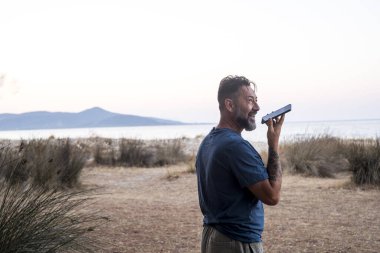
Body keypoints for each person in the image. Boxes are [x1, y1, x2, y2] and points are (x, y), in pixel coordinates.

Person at [195, 75, 285, 253]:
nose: (257, 108)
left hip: (213, 237)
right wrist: (273, 144)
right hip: (236, 241)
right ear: (229, 105)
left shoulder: (208, 141)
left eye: (256, 101)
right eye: (250, 101)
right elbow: (272, 196)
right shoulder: (236, 146)